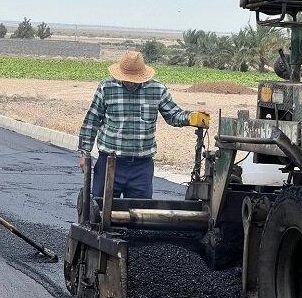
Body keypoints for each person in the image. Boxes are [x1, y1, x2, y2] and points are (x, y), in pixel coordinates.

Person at [78, 51, 209, 200]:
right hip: (109, 161)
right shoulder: (106, 88)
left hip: (141, 167)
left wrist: (192, 117)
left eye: (134, 79)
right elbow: (92, 121)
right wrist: (84, 153)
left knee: (140, 213)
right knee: (99, 211)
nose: (130, 82)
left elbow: (173, 115)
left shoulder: (157, 89)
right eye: (126, 79)